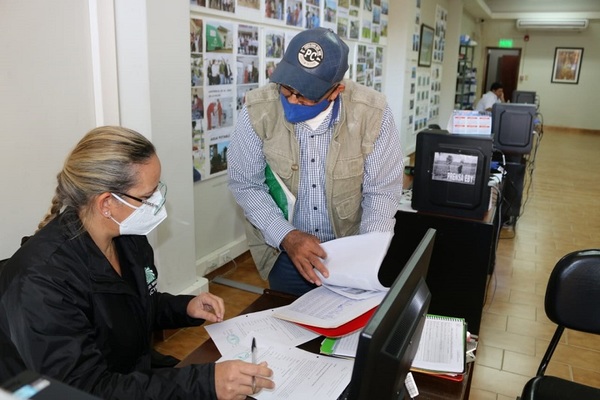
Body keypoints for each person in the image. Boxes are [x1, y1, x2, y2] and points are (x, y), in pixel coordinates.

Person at [0, 126, 273, 399]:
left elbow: (130, 306)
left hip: (133, 376)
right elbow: (83, 389)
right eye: (146, 197)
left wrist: (184, 307)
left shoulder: (126, 236)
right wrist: (205, 383)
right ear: (107, 203)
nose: (157, 203)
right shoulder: (42, 282)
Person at [228, 28, 404, 296]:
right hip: (285, 252)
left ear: (335, 91)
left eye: (304, 95)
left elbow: (381, 191)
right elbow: (246, 184)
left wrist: (366, 256)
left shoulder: (372, 113)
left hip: (349, 247)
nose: (292, 99)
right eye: (287, 89)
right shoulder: (257, 110)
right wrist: (287, 237)